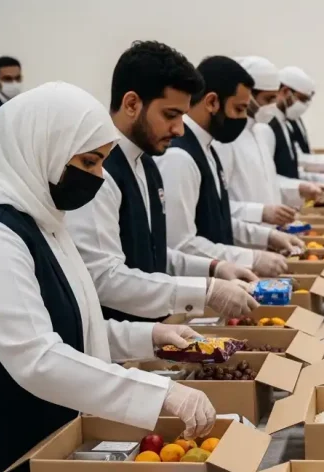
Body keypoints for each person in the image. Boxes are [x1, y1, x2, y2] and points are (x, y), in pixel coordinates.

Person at [0, 82, 217, 472]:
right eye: (89, 162)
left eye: (102, 164)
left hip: (26, 448)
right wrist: (159, 392)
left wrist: (148, 338)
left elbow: (73, 323)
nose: (96, 178)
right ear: (43, 148)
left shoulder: (41, 221)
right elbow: (37, 357)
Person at [67, 41, 259, 323]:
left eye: (182, 115)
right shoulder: (100, 171)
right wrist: (203, 290)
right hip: (116, 347)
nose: (179, 128)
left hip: (149, 337)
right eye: (170, 115)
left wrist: (214, 268)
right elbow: (103, 278)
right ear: (132, 103)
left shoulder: (146, 163)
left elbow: (153, 254)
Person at [157, 56, 301, 275]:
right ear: (212, 102)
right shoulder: (179, 157)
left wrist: (266, 236)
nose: (243, 118)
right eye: (239, 109)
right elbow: (180, 245)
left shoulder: (208, 148)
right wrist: (250, 258)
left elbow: (219, 221)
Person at [212, 57, 303, 227]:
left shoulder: (264, 132)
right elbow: (217, 206)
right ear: (248, 96)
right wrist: (260, 213)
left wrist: (300, 189)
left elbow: (268, 184)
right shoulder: (225, 139)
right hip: (242, 246)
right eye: (268, 99)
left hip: (269, 240)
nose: (273, 106)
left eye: (275, 99)